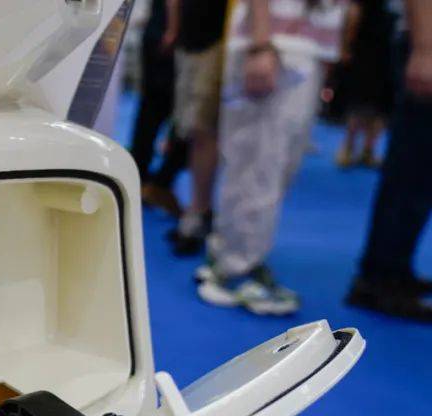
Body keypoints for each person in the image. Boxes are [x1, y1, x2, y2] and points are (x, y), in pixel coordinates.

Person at [196, 0, 346, 315]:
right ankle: (236, 270)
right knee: (260, 164)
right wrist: (261, 44)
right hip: (277, 44)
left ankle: (230, 255)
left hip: (294, 44)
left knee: (265, 163)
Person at [347, 0, 432, 321]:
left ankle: (394, 268)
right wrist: (425, 49)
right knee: (412, 170)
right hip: (425, 43)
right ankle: (378, 278)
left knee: (420, 175)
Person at [166, 0, 229, 255]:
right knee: (192, 130)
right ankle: (199, 209)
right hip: (190, 40)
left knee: (203, 130)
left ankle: (200, 212)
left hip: (214, 42)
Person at [128, 0, 188, 217]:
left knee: (152, 111)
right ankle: (152, 183)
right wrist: (173, 29)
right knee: (159, 111)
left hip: (165, 31)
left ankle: (143, 180)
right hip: (169, 34)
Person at [335, 0, 395, 168]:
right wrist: (346, 45)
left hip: (391, 50)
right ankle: (348, 146)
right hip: (366, 49)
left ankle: (369, 149)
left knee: (382, 106)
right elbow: (354, 11)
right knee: (359, 101)